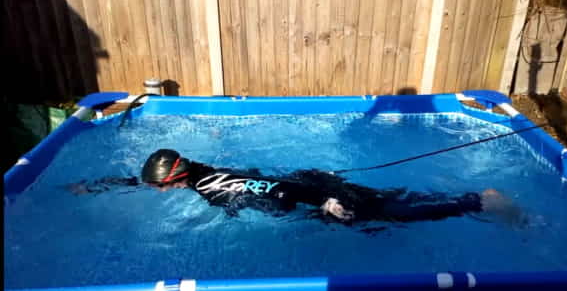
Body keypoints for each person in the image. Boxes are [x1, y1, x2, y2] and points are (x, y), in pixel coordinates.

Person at [71, 149, 524, 225]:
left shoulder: (215, 189)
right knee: (385, 200)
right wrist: (98, 186)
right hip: (308, 179)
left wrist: (321, 204)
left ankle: (477, 201)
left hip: (309, 191)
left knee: (385, 217)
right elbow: (142, 180)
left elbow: (272, 193)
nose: (156, 190)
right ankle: (469, 197)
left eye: (158, 187)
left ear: (174, 181)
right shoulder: (195, 168)